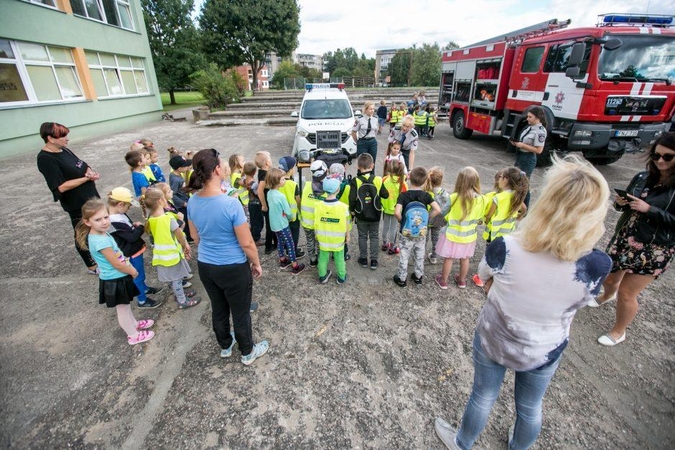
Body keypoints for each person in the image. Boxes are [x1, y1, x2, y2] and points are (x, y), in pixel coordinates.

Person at [434, 155, 612, 450]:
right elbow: (580, 302)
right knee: (530, 407)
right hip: (545, 346)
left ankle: (462, 442)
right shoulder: (597, 265)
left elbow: (485, 280)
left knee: (482, 396)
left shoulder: (506, 246)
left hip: (496, 337)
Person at [590, 132, 675, 346]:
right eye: (656, 156)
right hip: (625, 238)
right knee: (609, 279)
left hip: (655, 249)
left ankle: (619, 331)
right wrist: (621, 202)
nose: (660, 161)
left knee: (627, 293)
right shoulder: (642, 177)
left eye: (668, 157)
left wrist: (650, 210)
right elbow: (623, 206)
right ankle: (605, 296)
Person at [187, 149, 268, 366]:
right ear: (216, 170)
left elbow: (195, 238)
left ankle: (225, 345)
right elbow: (247, 242)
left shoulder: (192, 202)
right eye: (221, 164)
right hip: (232, 267)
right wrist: (256, 263)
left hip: (206, 265)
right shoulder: (230, 204)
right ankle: (248, 351)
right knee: (240, 313)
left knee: (219, 308)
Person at [75, 199, 155, 345]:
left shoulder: (102, 233)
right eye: (98, 219)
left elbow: (117, 254)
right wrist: (132, 270)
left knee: (126, 305)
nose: (104, 222)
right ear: (87, 222)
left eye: (106, 217)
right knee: (123, 309)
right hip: (115, 279)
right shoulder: (100, 241)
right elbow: (116, 263)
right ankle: (133, 335)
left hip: (118, 276)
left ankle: (134, 324)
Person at [37, 122, 100, 274]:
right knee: (82, 233)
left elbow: (82, 165)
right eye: (63, 136)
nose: (67, 139)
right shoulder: (45, 159)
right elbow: (60, 187)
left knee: (96, 229)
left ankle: (101, 256)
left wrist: (90, 172)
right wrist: (85, 179)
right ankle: (92, 266)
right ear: (50, 139)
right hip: (76, 203)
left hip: (90, 197)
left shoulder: (63, 150)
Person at [107, 187, 163, 309]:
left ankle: (144, 289)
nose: (129, 208)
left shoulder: (119, 214)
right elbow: (131, 237)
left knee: (140, 273)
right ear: (120, 204)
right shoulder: (113, 222)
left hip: (135, 250)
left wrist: (133, 226)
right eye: (128, 206)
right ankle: (142, 300)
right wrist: (141, 227)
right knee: (138, 275)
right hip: (131, 252)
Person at [145, 189, 201, 309]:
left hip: (161, 255)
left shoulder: (151, 219)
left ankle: (179, 293)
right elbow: (179, 234)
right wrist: (185, 244)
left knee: (173, 278)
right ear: (160, 201)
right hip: (172, 255)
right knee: (176, 278)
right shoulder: (167, 219)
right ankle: (182, 301)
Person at [472, 167, 528, 287]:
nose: (499, 179)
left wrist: (485, 220)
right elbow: (524, 209)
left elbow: (489, 215)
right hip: (508, 232)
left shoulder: (498, 198)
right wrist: (519, 217)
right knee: (503, 253)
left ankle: (481, 278)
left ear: (506, 180)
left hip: (494, 233)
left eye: (501, 177)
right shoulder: (517, 196)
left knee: (488, 254)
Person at [435, 167, 487, 289]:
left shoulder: (454, 197)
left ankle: (443, 281)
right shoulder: (482, 199)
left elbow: (443, 212)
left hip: (452, 234)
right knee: (465, 259)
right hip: (469, 236)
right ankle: (461, 281)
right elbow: (481, 216)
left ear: (460, 181)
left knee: (449, 258)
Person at [393, 167, 441, 287]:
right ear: (425, 181)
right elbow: (438, 209)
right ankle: (418, 277)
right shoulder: (426, 196)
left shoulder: (403, 195)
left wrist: (402, 220)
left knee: (404, 255)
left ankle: (402, 279)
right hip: (421, 232)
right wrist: (427, 220)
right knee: (420, 254)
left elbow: (397, 213)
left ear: (409, 178)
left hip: (406, 232)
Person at [349, 153, 389, 270]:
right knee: (374, 236)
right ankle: (374, 260)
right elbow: (385, 195)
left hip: (361, 214)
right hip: (375, 214)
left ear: (358, 166)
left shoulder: (355, 181)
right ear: (372, 166)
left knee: (362, 236)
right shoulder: (378, 179)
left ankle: (363, 259)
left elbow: (351, 199)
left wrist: (352, 210)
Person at [266, 168, 306, 275]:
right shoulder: (281, 196)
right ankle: (295, 266)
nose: (285, 181)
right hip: (283, 224)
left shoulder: (269, 193)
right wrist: (290, 218)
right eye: (283, 179)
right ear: (277, 181)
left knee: (280, 242)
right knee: (290, 244)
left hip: (274, 224)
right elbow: (288, 212)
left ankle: (283, 260)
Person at [314, 177, 351, 284]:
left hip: (323, 237)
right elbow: (346, 223)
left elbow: (316, 222)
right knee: (339, 258)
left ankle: (322, 276)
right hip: (338, 240)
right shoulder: (343, 207)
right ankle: (341, 277)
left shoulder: (318, 206)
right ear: (337, 190)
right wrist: (347, 235)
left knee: (323, 257)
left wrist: (316, 234)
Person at [511, 107, 547, 208]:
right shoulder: (530, 127)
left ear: (538, 118)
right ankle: (517, 204)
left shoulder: (540, 131)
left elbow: (539, 150)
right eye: (527, 116)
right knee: (516, 180)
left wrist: (522, 145)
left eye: (530, 117)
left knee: (524, 184)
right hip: (520, 156)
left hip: (528, 158)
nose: (527, 119)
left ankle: (524, 207)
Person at [301, 160, 328, 267]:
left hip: (307, 222)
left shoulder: (306, 186)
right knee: (320, 242)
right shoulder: (328, 188)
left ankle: (312, 260)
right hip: (320, 224)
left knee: (310, 241)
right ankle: (321, 260)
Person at [278, 156, 305, 258]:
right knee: (294, 234)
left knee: (284, 233)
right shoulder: (293, 185)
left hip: (281, 215)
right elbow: (298, 201)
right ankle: (293, 251)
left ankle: (287, 248)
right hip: (293, 216)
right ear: (290, 170)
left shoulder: (276, 182)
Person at [381, 160, 407, 255]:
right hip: (397, 210)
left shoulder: (384, 179)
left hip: (385, 208)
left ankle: (384, 243)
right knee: (393, 228)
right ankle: (392, 247)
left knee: (385, 226)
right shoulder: (403, 183)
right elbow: (405, 196)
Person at [427, 167, 451, 265]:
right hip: (438, 218)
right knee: (435, 238)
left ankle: (419, 254)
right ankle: (434, 256)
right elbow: (448, 206)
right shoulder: (444, 193)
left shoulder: (427, 191)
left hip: (428, 217)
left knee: (424, 237)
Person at [255, 151, 277, 254]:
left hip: (268, 203)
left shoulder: (263, 172)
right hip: (267, 205)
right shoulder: (263, 175)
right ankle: (268, 246)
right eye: (270, 159)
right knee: (270, 225)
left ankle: (275, 243)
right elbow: (260, 191)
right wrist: (264, 205)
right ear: (267, 163)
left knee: (272, 223)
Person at [169, 155, 193, 242]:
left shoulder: (176, 174)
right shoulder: (176, 180)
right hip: (182, 205)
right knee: (186, 221)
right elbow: (173, 194)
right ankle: (189, 238)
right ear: (179, 168)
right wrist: (183, 203)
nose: (187, 167)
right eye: (186, 166)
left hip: (184, 201)